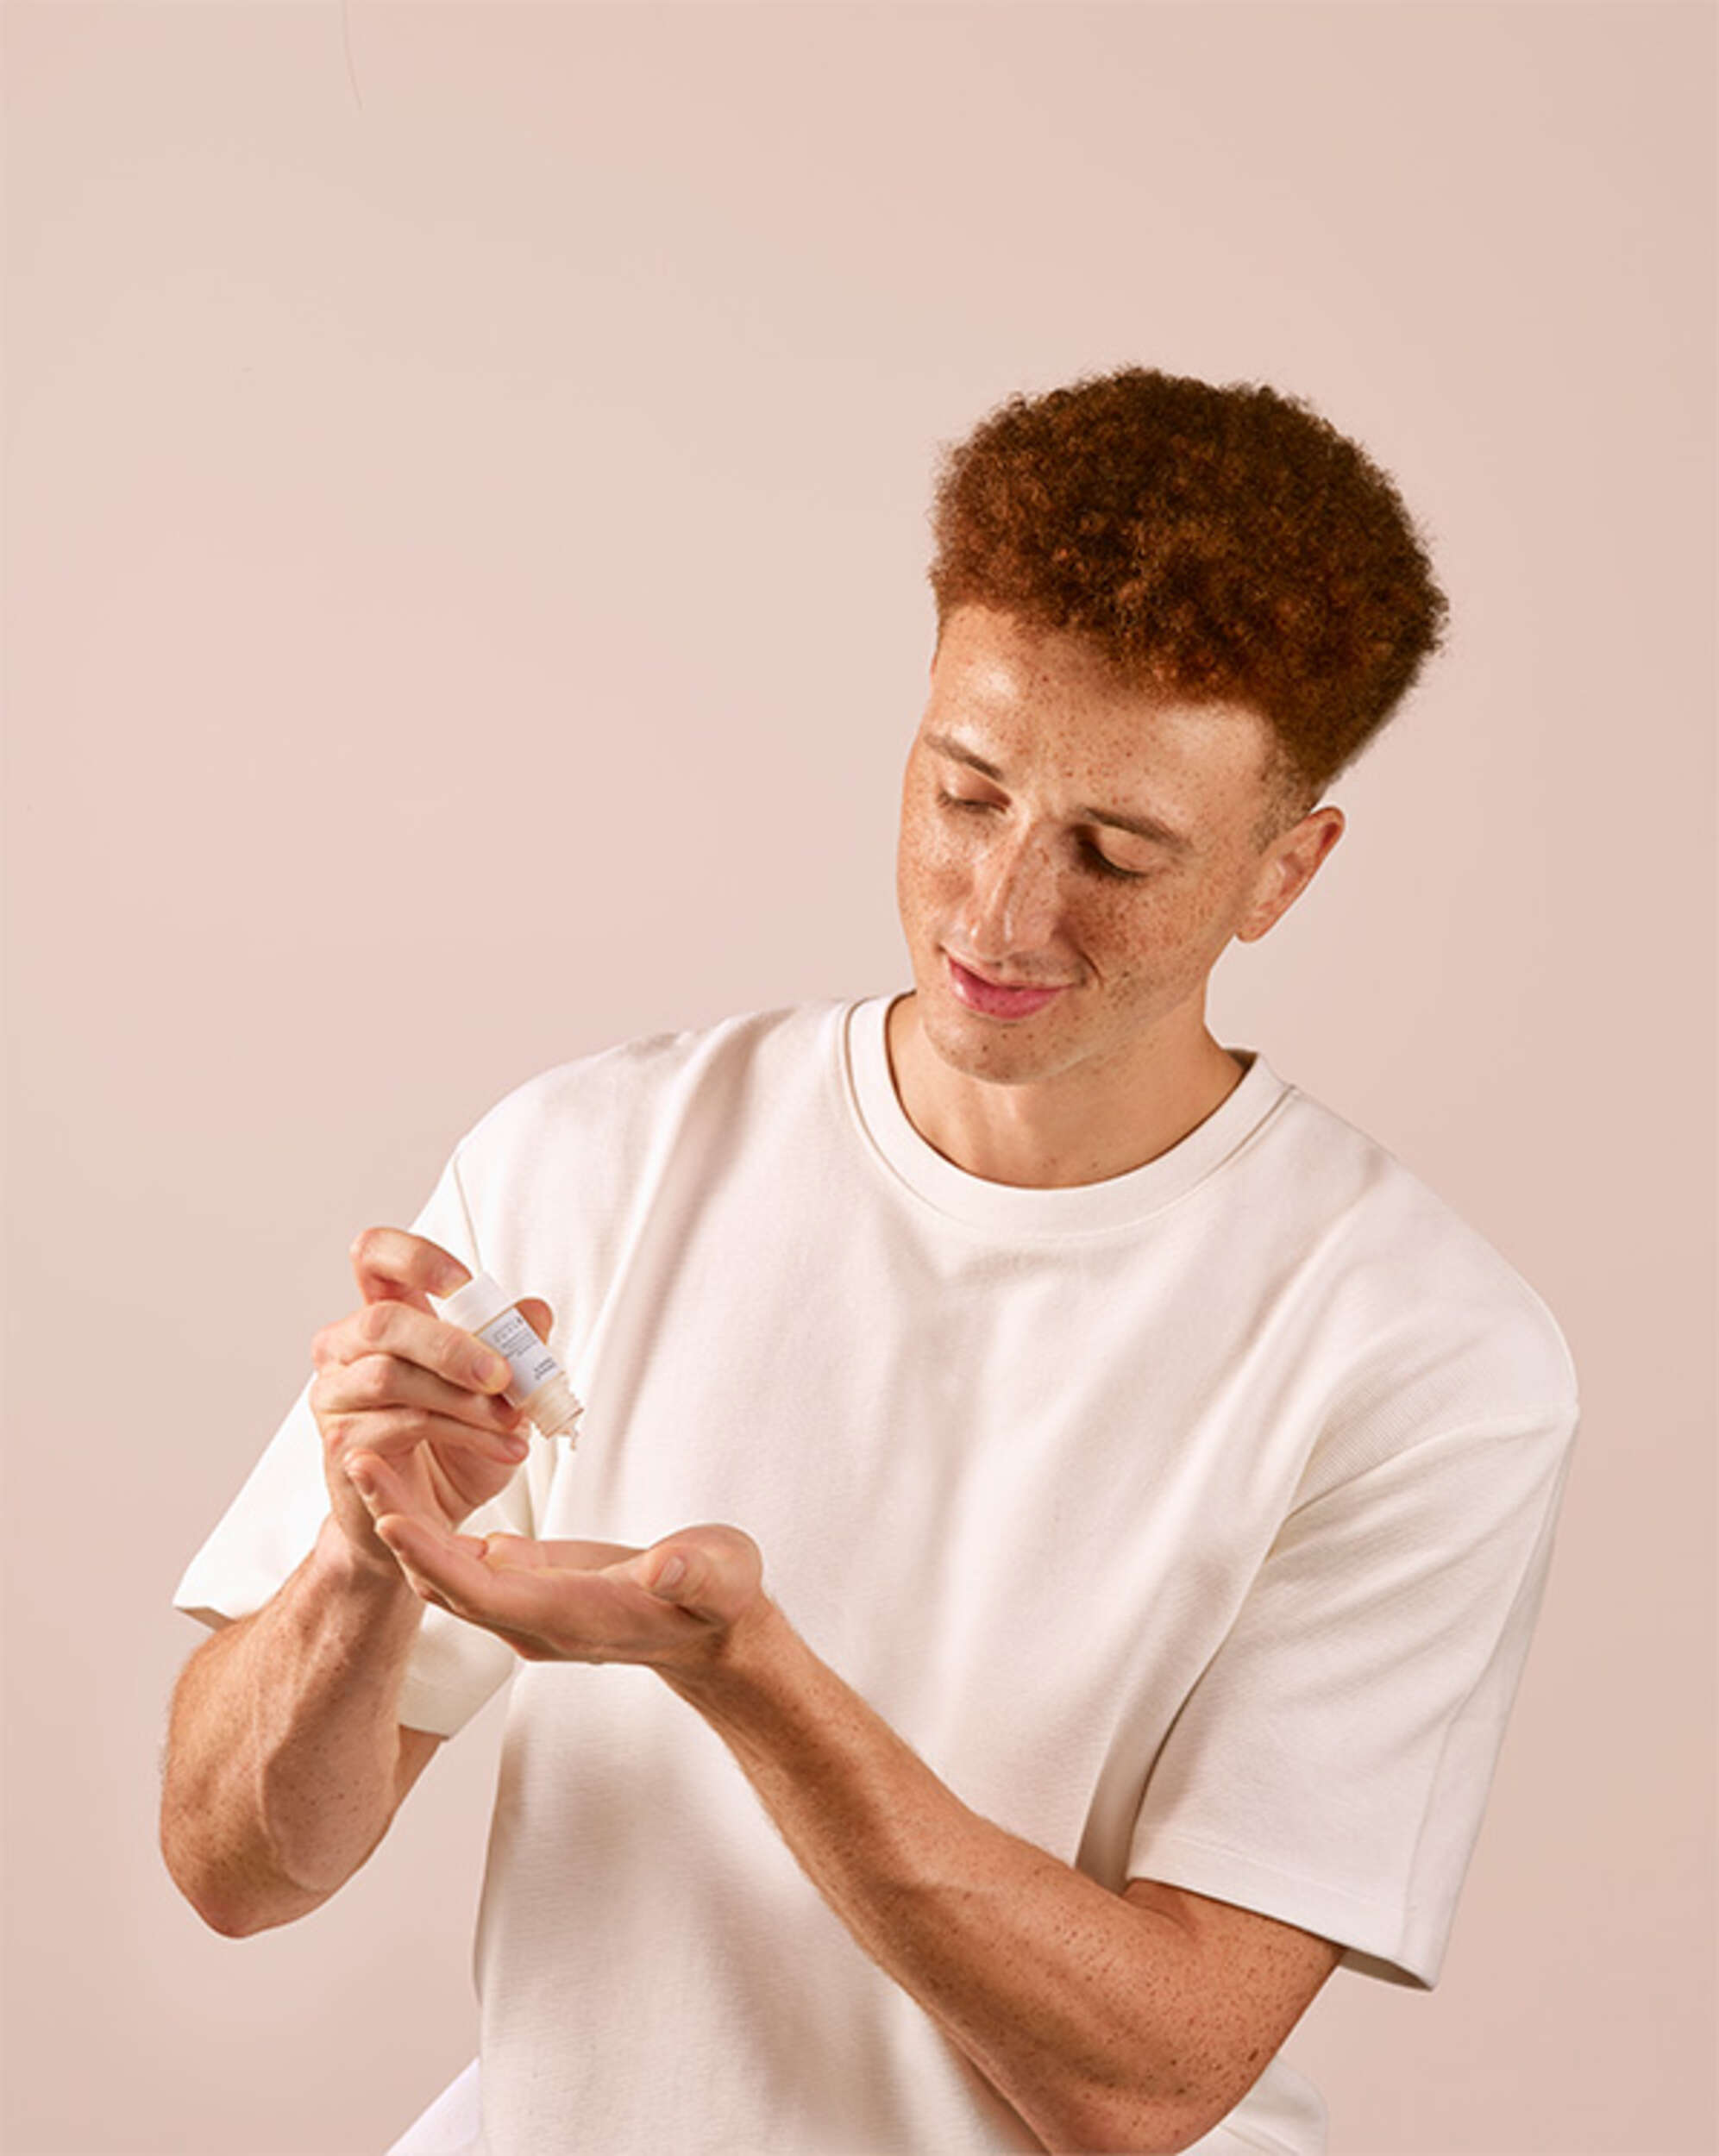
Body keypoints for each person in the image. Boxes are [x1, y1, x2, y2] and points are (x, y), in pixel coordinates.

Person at [160, 367, 1580, 2156]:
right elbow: (235, 1869)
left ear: (1279, 873)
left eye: (1115, 853)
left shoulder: (1422, 1354)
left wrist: (746, 1675)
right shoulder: (592, 1159)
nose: (998, 912)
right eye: (965, 791)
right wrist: (362, 1567)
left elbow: (1146, 2079)